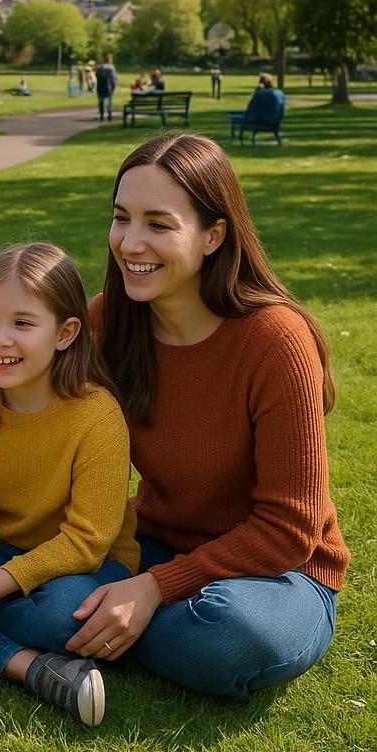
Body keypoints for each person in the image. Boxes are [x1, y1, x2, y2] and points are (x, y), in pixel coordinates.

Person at [67, 132, 349, 700]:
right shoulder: (107, 324)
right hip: (148, 541)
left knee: (228, 636)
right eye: (122, 218)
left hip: (274, 577)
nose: (131, 242)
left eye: (159, 224)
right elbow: (30, 422)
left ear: (213, 236)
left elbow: (288, 530)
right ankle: (87, 624)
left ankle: (75, 629)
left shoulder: (277, 341)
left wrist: (153, 589)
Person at [0, 243, 138, 729]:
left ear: (66, 332)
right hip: (0, 554)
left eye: (22, 323)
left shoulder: (97, 417)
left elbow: (88, 542)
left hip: (88, 569)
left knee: (61, 617)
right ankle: (32, 668)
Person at [95, 54, 118, 123]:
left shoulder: (99, 67)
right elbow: (113, 78)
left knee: (101, 101)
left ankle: (101, 116)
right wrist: (114, 86)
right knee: (109, 101)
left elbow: (97, 76)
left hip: (100, 86)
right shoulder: (111, 67)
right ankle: (109, 117)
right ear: (110, 60)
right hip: (109, 86)